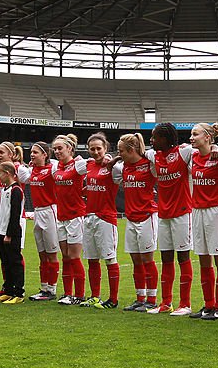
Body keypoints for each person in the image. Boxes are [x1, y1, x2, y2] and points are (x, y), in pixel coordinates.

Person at [145, 123, 195, 316]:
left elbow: (205, 147)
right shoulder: (153, 156)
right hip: (163, 215)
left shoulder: (183, 153)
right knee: (166, 258)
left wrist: (215, 148)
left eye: (155, 137)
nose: (152, 140)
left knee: (183, 258)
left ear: (165, 139)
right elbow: (139, 149)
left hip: (182, 213)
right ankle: (166, 302)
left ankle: (185, 304)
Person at [189, 123, 218, 320]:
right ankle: (208, 305)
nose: (191, 137)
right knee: (203, 258)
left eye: (195, 134)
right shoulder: (192, 156)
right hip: (197, 211)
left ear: (207, 137)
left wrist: (216, 149)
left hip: (216, 211)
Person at [78, 133, 122, 309]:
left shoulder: (113, 168)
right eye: (92, 148)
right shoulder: (87, 166)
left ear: (105, 149)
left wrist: (115, 159)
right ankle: (94, 296)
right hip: (89, 217)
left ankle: (113, 299)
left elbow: (127, 165)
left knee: (110, 259)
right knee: (92, 259)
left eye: (99, 148)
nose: (95, 151)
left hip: (106, 218)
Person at [117, 133, 159, 312]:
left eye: (121, 151)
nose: (119, 154)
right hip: (131, 218)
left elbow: (160, 159)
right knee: (136, 260)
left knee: (148, 259)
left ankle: (152, 298)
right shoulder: (123, 167)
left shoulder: (149, 165)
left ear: (131, 150)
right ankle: (139, 297)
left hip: (147, 216)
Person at [19, 142, 61, 301]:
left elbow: (61, 164)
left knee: (51, 254)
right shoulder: (33, 171)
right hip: (37, 212)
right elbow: (21, 172)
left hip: (50, 211)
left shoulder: (52, 169)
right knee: (42, 254)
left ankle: (52, 289)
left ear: (45, 154)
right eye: (31, 152)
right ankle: (44, 288)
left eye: (36, 152)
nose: (32, 154)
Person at [51, 134, 87, 306]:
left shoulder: (78, 165)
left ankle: (79, 295)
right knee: (65, 256)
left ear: (70, 149)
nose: (57, 151)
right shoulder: (55, 166)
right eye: (55, 149)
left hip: (75, 216)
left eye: (60, 148)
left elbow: (96, 165)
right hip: (61, 217)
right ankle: (67, 293)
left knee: (74, 256)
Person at [0, 162, 27, 304]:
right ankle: (8, 290)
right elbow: (2, 213)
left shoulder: (16, 190)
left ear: (7, 173)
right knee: (5, 262)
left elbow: (15, 214)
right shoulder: (4, 190)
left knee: (15, 262)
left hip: (12, 232)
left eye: (0, 173)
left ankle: (18, 292)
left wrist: (9, 233)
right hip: (2, 231)